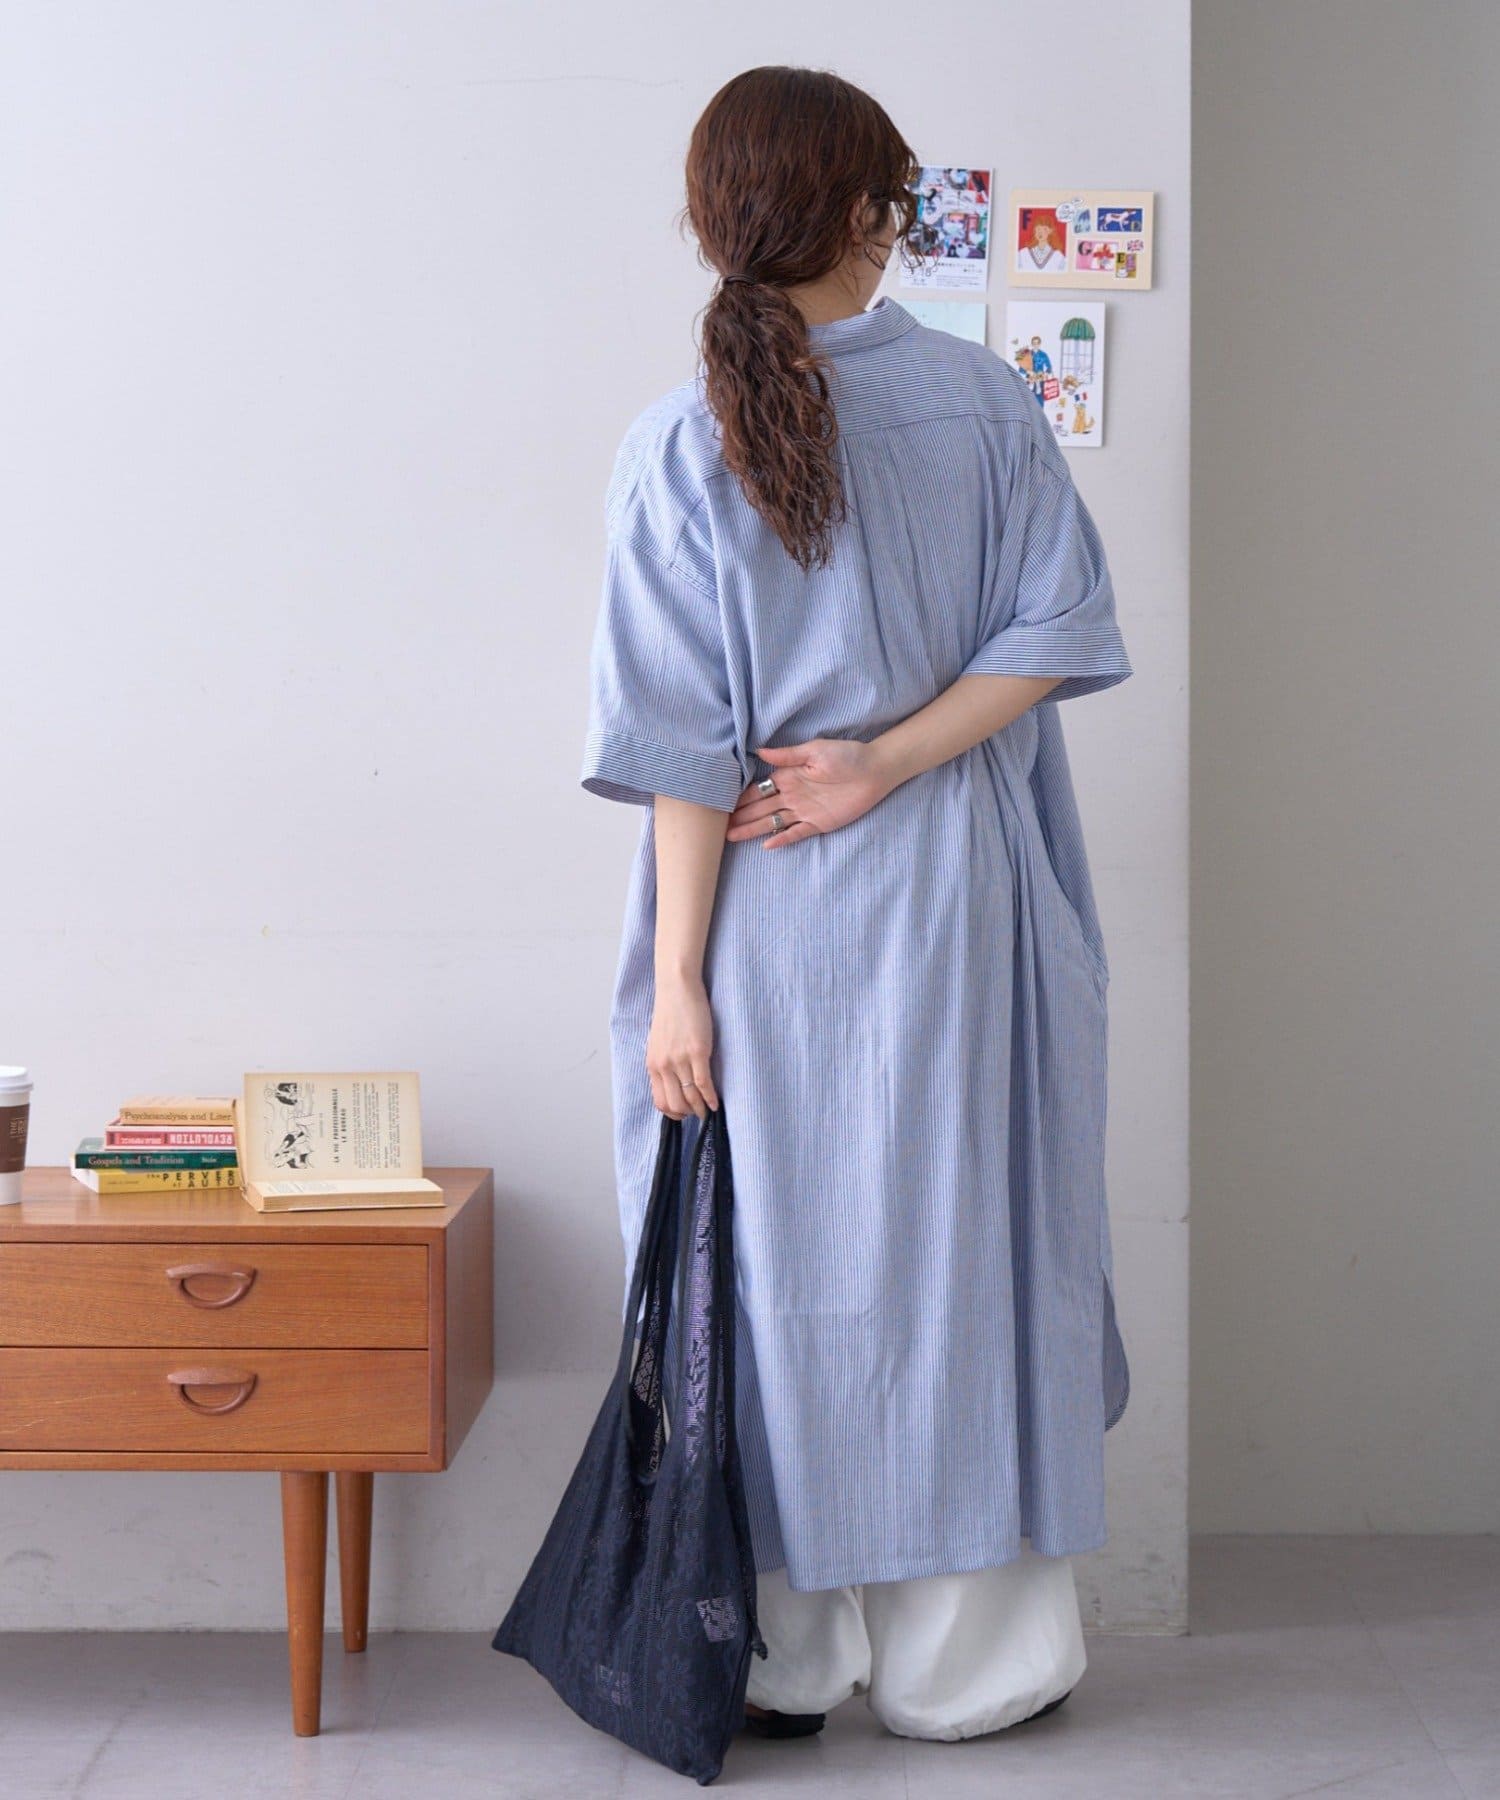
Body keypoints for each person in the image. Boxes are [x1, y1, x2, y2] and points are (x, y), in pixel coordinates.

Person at [579, 65, 1133, 1745]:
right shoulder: (981, 402)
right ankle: (976, 1669)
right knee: (966, 1249)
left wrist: (681, 984)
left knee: (767, 1266)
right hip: (962, 901)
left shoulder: (676, 439)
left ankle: (781, 1656)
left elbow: (679, 748)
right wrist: (889, 763)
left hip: (765, 921)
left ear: (717, 220)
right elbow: (1055, 633)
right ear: (870, 214)